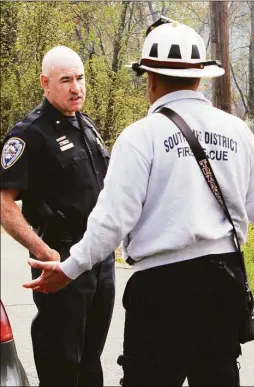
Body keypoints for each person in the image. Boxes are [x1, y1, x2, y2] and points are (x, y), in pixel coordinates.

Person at [23, 19, 254, 387]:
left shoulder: (140, 137)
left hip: (162, 289)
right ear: (200, 79)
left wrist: (69, 269)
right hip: (225, 282)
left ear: (149, 79)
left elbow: (112, 220)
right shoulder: (237, 130)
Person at [0, 46, 115, 387]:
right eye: (66, 80)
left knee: (91, 361)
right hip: (60, 257)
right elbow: (4, 204)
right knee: (61, 363)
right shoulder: (29, 134)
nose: (76, 87)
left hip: (100, 258)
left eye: (80, 78)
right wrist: (42, 250)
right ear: (45, 83)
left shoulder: (87, 126)